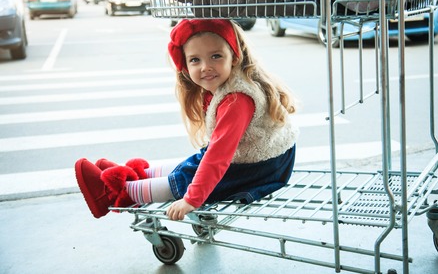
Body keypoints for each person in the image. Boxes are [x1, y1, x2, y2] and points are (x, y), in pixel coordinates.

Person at [75, 19, 298, 221]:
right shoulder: (227, 86)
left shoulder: (236, 100)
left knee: (191, 176)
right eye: (195, 60)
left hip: (262, 168)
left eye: (216, 56)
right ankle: (137, 176)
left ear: (235, 56)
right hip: (261, 157)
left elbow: (217, 158)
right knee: (196, 161)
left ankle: (116, 193)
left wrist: (192, 199)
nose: (205, 66)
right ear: (185, 66)